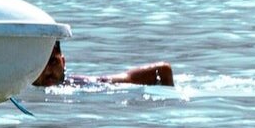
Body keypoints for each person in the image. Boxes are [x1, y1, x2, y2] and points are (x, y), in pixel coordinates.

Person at [34, 43, 175, 88]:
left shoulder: (89, 84)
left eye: (53, 62)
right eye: (41, 64)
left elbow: (163, 70)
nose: (47, 71)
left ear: (63, 62)